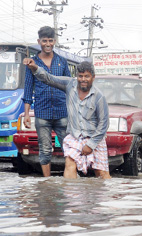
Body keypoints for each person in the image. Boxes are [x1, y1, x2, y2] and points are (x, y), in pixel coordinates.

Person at [24, 58, 111, 179]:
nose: (83, 80)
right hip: (75, 136)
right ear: (77, 77)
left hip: (94, 137)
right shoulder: (70, 84)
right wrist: (35, 68)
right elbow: (49, 78)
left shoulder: (99, 97)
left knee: (101, 173)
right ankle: (71, 196)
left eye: (87, 76)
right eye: (80, 76)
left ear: (93, 77)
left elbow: (104, 125)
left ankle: (102, 198)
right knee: (70, 164)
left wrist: (91, 144)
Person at [22, 26, 71, 177]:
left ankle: (70, 179)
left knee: (68, 148)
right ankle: (47, 182)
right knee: (44, 149)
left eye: (50, 40)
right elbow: (28, 89)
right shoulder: (32, 63)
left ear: (54, 41)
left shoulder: (62, 62)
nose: (48, 44)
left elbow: (70, 86)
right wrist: (27, 114)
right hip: (42, 112)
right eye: (44, 41)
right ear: (39, 42)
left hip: (62, 112)